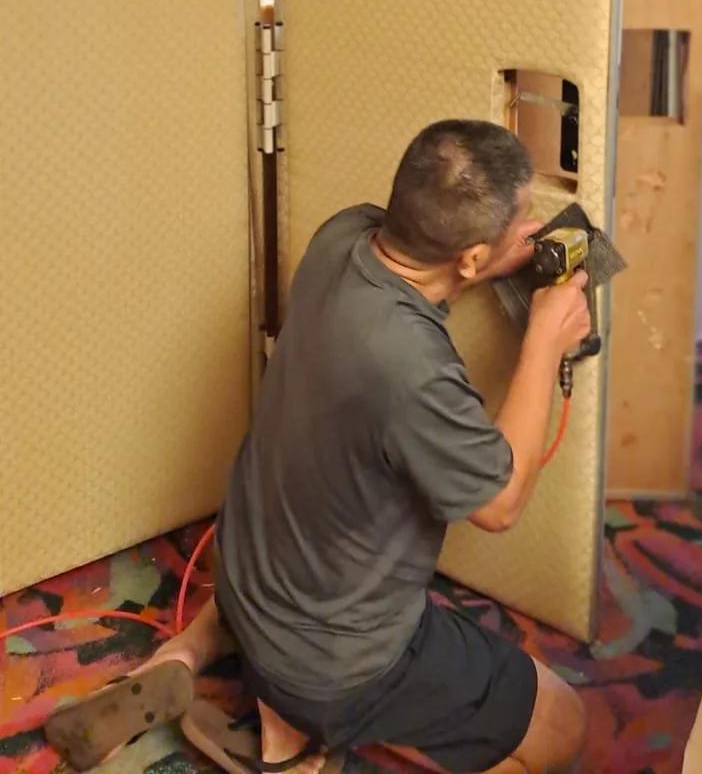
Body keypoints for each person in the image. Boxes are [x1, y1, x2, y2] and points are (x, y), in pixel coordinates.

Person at [47, 121, 590, 774]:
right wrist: (543, 343)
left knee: (280, 601)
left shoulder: (343, 235)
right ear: (471, 257)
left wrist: (485, 252)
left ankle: (184, 657)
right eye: (521, 219)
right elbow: (500, 505)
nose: (532, 227)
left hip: (247, 573)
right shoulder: (409, 367)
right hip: (335, 663)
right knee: (564, 727)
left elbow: (429, 275)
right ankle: (304, 736)